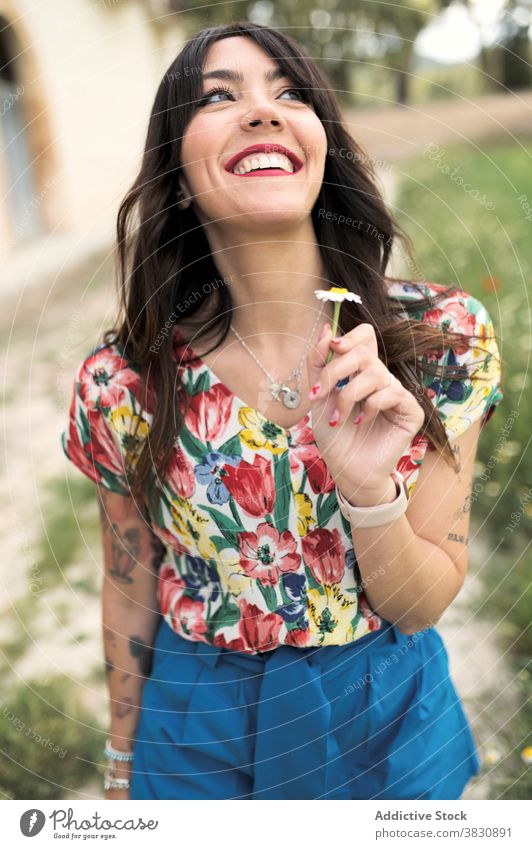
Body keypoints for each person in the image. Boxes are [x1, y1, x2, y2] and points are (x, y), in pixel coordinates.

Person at [61, 21, 503, 801]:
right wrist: (124, 765)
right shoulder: (121, 384)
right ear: (174, 167)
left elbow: (422, 601)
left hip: (384, 718)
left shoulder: (440, 341)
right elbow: (128, 584)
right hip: (193, 729)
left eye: (289, 92)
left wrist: (370, 493)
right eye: (218, 97)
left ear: (320, 142)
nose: (263, 110)